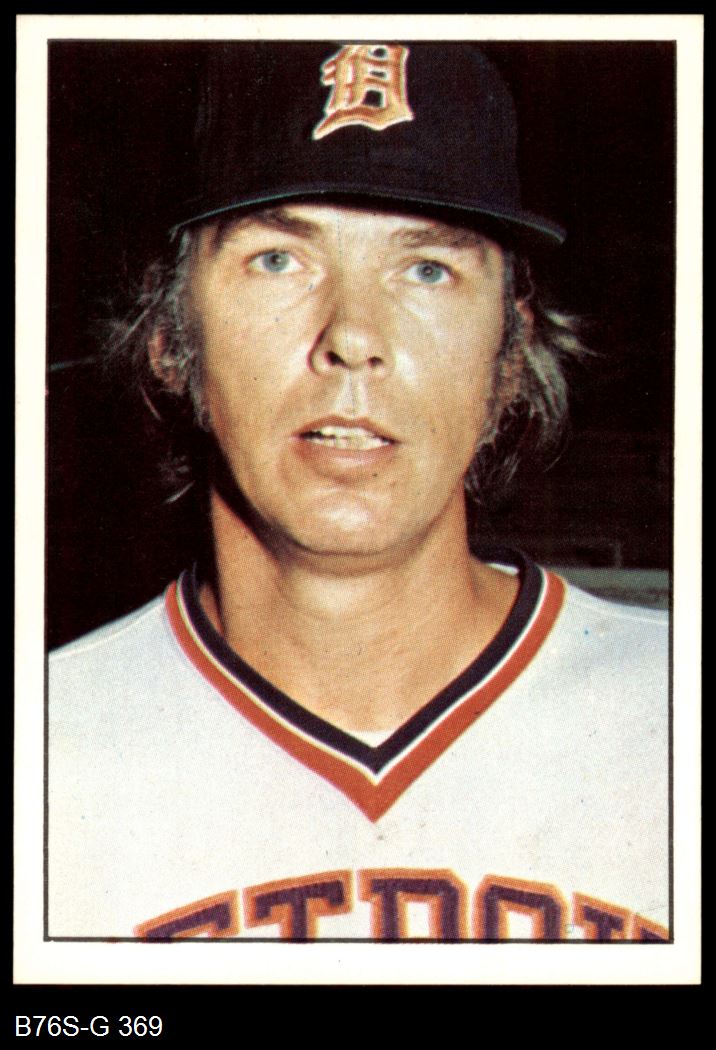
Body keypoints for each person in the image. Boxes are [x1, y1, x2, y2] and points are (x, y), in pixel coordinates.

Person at [48, 42, 669, 942]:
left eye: (428, 270)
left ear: (508, 358)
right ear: (170, 340)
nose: (353, 337)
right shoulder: (49, 751)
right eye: (278, 260)